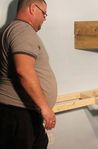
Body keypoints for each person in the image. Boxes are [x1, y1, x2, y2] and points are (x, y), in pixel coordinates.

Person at [0, 0, 57, 148]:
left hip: (18, 114)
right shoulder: (22, 30)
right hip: (18, 115)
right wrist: (45, 107)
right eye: (44, 14)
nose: (44, 19)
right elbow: (24, 71)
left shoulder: (11, 29)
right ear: (33, 8)